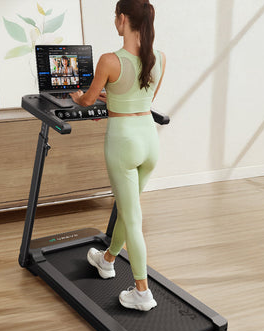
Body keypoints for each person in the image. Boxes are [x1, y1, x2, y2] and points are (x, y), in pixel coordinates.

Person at [70, 0, 166, 311]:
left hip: (123, 143)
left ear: (122, 19)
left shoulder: (110, 61)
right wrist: (111, 94)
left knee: (133, 218)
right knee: (128, 209)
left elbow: (86, 101)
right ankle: (107, 260)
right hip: (150, 141)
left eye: (116, 16)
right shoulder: (160, 58)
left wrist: (80, 96)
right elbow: (144, 96)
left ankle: (142, 292)